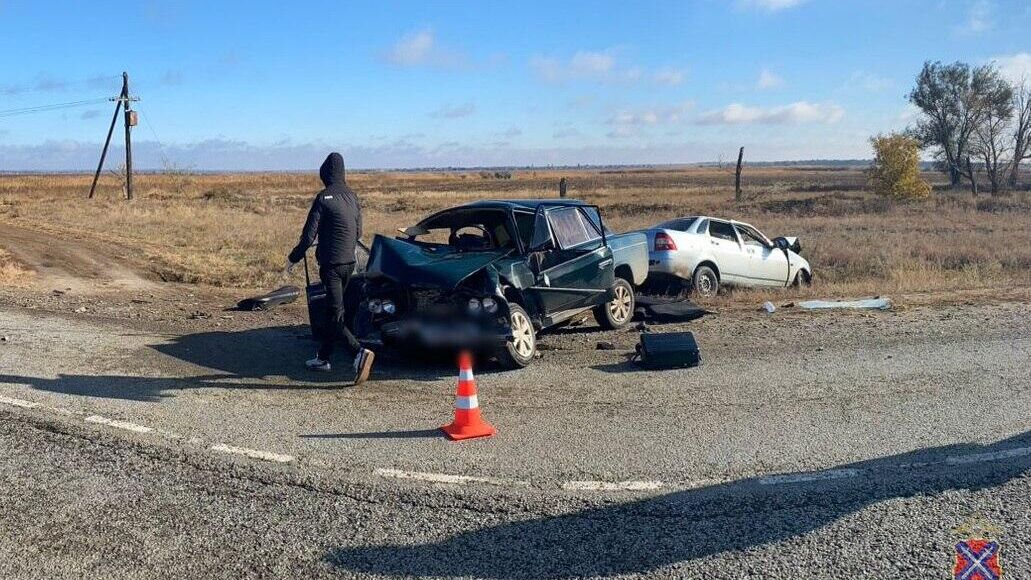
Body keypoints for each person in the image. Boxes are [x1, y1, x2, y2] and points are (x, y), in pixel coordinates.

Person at [286, 152, 375, 384]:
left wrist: (293, 258)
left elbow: (308, 236)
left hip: (331, 266)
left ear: (324, 173)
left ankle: (359, 353)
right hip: (350, 264)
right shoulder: (353, 197)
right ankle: (323, 358)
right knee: (332, 311)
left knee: (336, 317)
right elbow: (359, 233)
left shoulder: (323, 198)